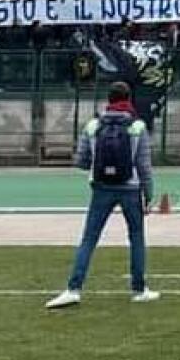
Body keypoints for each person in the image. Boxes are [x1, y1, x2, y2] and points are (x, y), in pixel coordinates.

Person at [46, 81, 158, 309]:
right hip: (130, 187)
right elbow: (144, 165)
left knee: (89, 238)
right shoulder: (137, 126)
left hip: (101, 187)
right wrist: (148, 194)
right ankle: (139, 289)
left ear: (109, 100)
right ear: (129, 98)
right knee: (136, 237)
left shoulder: (93, 125)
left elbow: (82, 161)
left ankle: (73, 288)